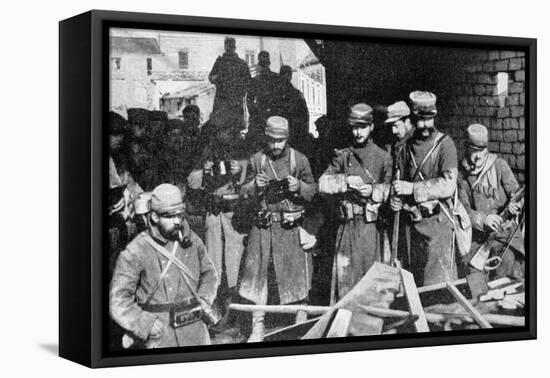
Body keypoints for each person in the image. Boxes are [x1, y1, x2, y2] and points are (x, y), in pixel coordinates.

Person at [110, 184, 219, 349]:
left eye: (180, 215)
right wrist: (144, 323)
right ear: (154, 216)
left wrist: (204, 299)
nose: (177, 221)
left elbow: (209, 274)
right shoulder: (136, 250)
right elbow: (118, 300)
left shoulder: (192, 240)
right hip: (160, 336)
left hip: (196, 331)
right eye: (170, 216)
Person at [238, 116, 317, 342]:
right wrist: (254, 186)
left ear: (287, 138)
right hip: (262, 229)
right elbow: (241, 193)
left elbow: (314, 192)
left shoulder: (299, 160)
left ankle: (301, 324)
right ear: (266, 137)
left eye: (280, 140)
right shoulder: (257, 160)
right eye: (272, 140)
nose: (275, 145)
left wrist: (299, 186)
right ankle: (257, 328)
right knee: (258, 279)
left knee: (297, 279)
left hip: (290, 228)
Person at [319, 103, 392, 302]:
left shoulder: (383, 157)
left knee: (372, 283)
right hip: (347, 228)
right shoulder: (344, 155)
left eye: (362, 127)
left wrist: (374, 191)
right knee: (346, 285)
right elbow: (323, 183)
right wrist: (345, 181)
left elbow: (391, 189)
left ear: (371, 127)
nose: (357, 132)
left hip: (372, 230)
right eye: (354, 127)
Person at [390, 91, 462, 286]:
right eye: (419, 120)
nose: (424, 125)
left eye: (428, 119)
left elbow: (447, 185)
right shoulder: (404, 148)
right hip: (412, 228)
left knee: (438, 288)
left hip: (438, 227)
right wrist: (396, 199)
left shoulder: (445, 146)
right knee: (413, 288)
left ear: (434, 117)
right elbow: (397, 182)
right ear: (412, 119)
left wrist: (411, 189)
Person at [187, 124, 252, 331]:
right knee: (214, 266)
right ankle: (218, 314)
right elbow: (191, 181)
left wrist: (240, 169)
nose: (224, 137)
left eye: (227, 132)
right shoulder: (206, 154)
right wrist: (203, 172)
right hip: (214, 217)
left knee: (235, 267)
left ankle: (235, 313)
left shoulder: (244, 153)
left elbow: (253, 182)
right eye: (219, 134)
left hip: (234, 218)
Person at [458, 124, 524, 280]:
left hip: (505, 234)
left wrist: (516, 205)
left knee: (509, 271)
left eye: (482, 150)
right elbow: (463, 210)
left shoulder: (499, 165)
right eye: (474, 150)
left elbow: (516, 193)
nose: (478, 156)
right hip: (478, 237)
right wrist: (484, 219)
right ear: (467, 148)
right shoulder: (461, 176)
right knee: (475, 276)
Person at [383, 101, 414, 268]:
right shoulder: (397, 146)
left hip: (416, 214)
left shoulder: (415, 146)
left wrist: (406, 202)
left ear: (408, 122)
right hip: (400, 213)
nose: (393, 131)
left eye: (396, 126)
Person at [209, 36, 251, 129]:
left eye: (231, 46)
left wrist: (240, 89)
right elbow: (211, 78)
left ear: (235, 47)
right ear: (225, 47)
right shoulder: (220, 62)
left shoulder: (241, 63)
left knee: (234, 128)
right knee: (221, 128)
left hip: (234, 102)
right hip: (222, 101)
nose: (229, 48)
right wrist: (220, 78)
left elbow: (248, 82)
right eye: (228, 46)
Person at [246, 51, 280, 143]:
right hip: (259, 117)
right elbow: (249, 99)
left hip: (273, 116)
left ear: (268, 64)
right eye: (262, 65)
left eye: (264, 64)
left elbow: (280, 98)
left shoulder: (276, 79)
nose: (263, 67)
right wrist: (255, 113)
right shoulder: (255, 81)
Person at [274, 65, 310, 152]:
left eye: (287, 75)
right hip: (282, 133)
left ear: (290, 77)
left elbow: (305, 116)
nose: (286, 78)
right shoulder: (276, 95)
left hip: (293, 134)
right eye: (284, 75)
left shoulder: (297, 94)